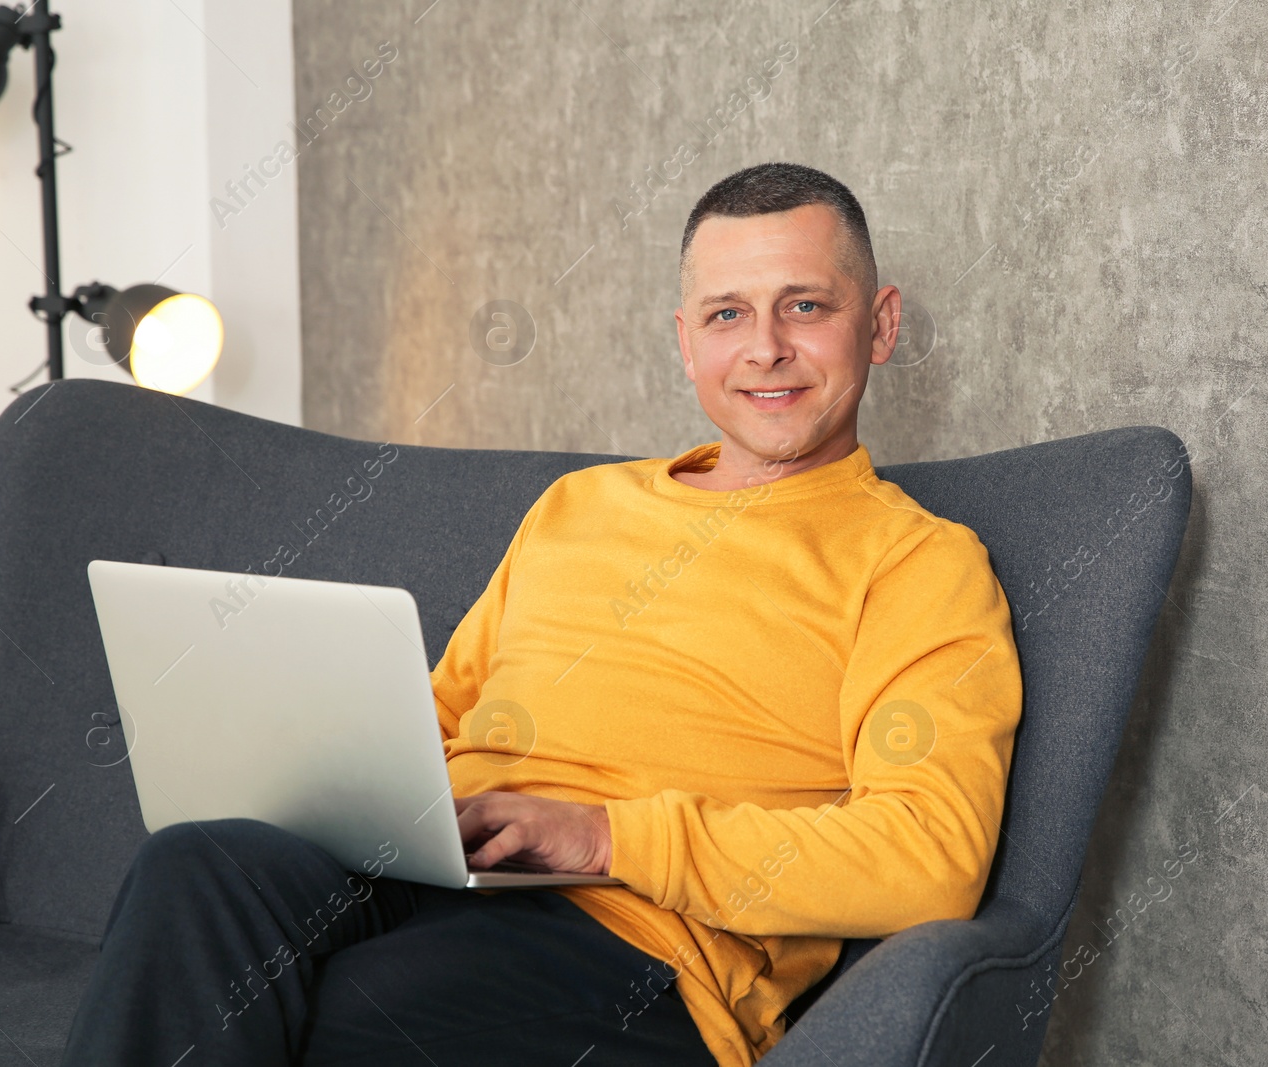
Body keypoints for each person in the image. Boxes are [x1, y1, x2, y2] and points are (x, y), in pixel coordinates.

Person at [58, 161, 1023, 1067]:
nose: (765, 346)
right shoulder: (580, 506)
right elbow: (432, 719)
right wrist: (337, 784)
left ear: (881, 325)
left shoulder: (918, 563)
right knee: (198, 868)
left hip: (637, 944)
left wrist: (604, 836)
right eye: (729, 313)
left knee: (342, 1006)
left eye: (805, 306)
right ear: (686, 340)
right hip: (441, 867)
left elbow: (929, 857)